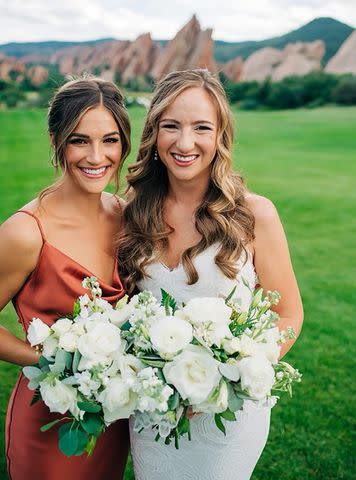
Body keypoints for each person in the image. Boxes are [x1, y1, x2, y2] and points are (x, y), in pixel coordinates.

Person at [118, 69, 303, 480]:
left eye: (201, 127)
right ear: (154, 132)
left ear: (220, 134)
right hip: (153, 413)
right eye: (171, 127)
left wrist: (234, 371)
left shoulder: (255, 214)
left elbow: (289, 314)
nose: (185, 143)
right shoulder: (130, 211)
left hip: (228, 417)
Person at [0, 77, 131, 480]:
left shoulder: (126, 215)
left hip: (114, 415)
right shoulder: (25, 232)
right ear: (56, 140)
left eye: (110, 140)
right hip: (49, 420)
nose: (97, 156)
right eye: (79, 140)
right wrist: (52, 359)